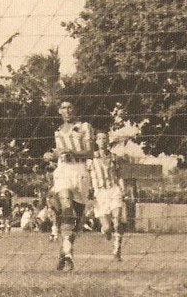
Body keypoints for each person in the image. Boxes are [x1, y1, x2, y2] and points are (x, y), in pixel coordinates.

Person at [45, 101, 94, 271]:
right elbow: (58, 154)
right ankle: (68, 255)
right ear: (59, 111)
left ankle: (64, 252)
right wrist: (50, 155)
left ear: (75, 109)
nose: (67, 110)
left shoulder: (85, 127)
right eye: (64, 108)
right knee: (66, 208)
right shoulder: (58, 131)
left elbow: (90, 152)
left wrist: (71, 152)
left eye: (70, 107)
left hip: (80, 172)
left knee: (76, 220)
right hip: (63, 171)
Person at [89, 132, 125, 261]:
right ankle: (106, 231)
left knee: (117, 221)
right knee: (107, 227)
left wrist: (122, 188)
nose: (102, 141)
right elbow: (87, 176)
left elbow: (119, 175)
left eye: (104, 138)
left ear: (108, 140)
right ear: (96, 141)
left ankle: (117, 250)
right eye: (99, 138)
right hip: (100, 193)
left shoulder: (114, 157)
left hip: (114, 190)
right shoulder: (91, 158)